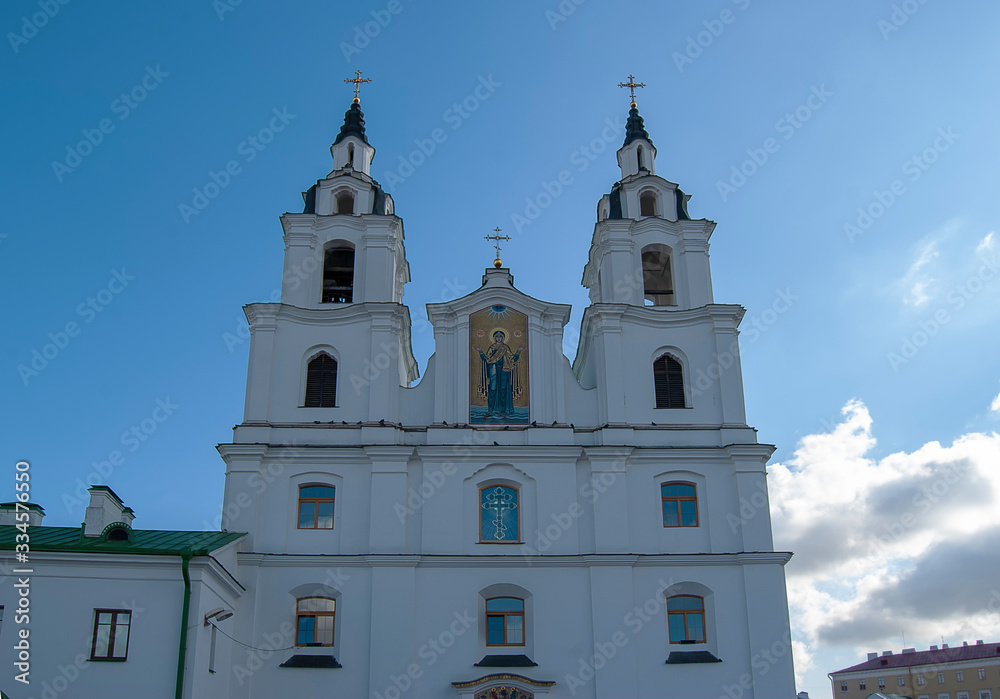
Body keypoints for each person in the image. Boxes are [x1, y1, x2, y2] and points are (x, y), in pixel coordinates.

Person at [476, 330, 523, 418]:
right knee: (492, 390)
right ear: (494, 338)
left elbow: (512, 359)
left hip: (504, 370)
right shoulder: (492, 348)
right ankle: (490, 411)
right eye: (497, 336)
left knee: (503, 390)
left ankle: (502, 411)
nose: (498, 338)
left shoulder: (505, 348)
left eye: (500, 336)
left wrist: (518, 352)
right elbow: (487, 359)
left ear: (503, 338)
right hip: (493, 369)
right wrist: (480, 351)